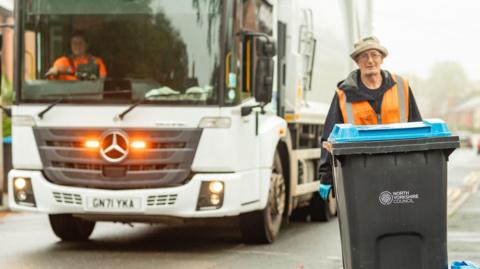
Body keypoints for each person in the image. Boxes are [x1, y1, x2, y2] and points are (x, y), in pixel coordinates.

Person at [318, 36, 422, 200]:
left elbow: (418, 127)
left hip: (399, 168)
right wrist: (326, 174)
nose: (370, 61)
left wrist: (419, 165)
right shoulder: (344, 93)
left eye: (374, 55)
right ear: (357, 62)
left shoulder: (402, 87)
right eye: (364, 56)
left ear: (382, 59)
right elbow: (329, 137)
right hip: (361, 172)